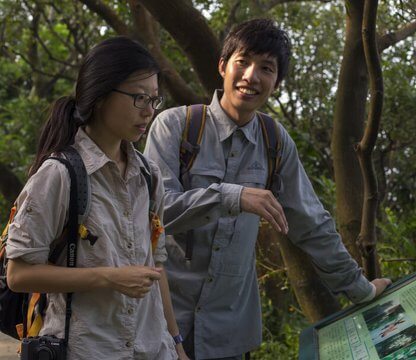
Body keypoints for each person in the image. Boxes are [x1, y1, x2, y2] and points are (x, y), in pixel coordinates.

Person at [144, 19, 392, 359]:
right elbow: (156, 213)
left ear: (276, 81)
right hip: (161, 326)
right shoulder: (176, 126)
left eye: (266, 68)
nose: (251, 76)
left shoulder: (275, 143)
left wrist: (360, 290)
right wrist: (234, 195)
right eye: (242, 62)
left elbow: (311, 223)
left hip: (228, 335)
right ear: (222, 66)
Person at [6, 37, 189, 360]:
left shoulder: (149, 175)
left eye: (154, 100)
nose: (148, 111)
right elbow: (18, 275)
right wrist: (109, 277)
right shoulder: (60, 175)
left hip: (153, 349)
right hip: (87, 350)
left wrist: (176, 344)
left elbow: (155, 270)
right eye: (138, 98)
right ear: (101, 95)